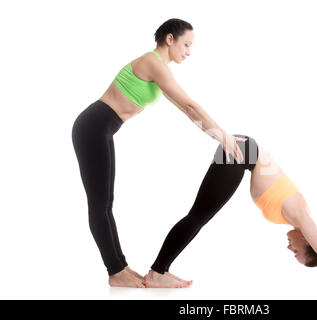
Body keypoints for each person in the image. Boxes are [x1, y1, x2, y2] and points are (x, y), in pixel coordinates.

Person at [71, 18, 246, 288]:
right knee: (100, 203)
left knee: (105, 202)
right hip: (92, 127)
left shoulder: (159, 67)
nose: (188, 51)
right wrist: (222, 136)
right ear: (169, 39)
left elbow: (186, 109)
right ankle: (116, 271)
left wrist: (217, 134)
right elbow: (190, 106)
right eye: (187, 44)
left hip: (100, 128)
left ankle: (120, 268)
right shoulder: (152, 62)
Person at [144, 135, 317, 291]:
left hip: (244, 153)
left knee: (199, 216)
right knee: (198, 217)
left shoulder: (296, 217)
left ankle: (160, 270)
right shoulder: (303, 217)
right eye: (297, 253)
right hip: (242, 152)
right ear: (311, 243)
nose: (290, 250)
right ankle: (157, 273)